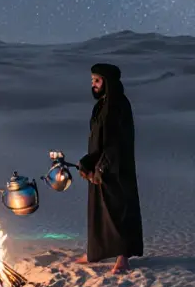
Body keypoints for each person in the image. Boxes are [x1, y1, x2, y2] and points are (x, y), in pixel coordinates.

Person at [52, 62, 144, 274]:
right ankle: (96, 253)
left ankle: (123, 257)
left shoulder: (119, 104)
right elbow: (97, 141)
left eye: (97, 80)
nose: (93, 85)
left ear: (108, 82)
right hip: (100, 167)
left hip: (117, 168)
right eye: (92, 80)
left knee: (118, 210)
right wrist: (88, 162)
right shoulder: (100, 105)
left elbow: (116, 143)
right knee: (98, 211)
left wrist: (102, 168)